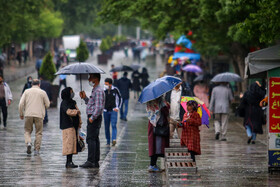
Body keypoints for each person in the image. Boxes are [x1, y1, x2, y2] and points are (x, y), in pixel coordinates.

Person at [79, 73, 105, 168]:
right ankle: (95, 161)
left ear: (96, 79)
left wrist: (92, 117)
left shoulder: (98, 90)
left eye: (91, 77)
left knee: (91, 138)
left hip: (94, 118)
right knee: (94, 138)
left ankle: (91, 161)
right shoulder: (95, 90)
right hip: (93, 117)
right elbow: (92, 104)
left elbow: (98, 107)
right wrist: (85, 97)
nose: (89, 79)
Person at [19, 79, 50, 155]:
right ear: (39, 84)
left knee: (27, 131)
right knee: (38, 132)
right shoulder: (43, 92)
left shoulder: (26, 91)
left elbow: (20, 104)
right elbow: (48, 104)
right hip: (39, 115)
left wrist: (21, 114)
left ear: (32, 84)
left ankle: (28, 143)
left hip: (28, 114)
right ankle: (36, 149)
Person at [60, 87, 82, 168]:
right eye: (71, 91)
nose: (72, 93)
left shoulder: (73, 102)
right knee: (68, 144)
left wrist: (80, 122)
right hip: (67, 126)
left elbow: (77, 111)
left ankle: (71, 161)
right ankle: (68, 162)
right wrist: (76, 112)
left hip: (74, 126)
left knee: (72, 144)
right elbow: (68, 112)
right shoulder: (64, 103)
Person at [165, 75, 193, 139]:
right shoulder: (169, 92)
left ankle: (183, 148)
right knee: (168, 135)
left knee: (181, 137)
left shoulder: (185, 91)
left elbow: (190, 104)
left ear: (181, 82)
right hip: (171, 119)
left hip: (180, 120)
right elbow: (166, 102)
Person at [146, 96, 169, 172]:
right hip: (154, 127)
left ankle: (154, 164)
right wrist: (164, 107)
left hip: (159, 127)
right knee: (154, 146)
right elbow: (164, 112)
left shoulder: (160, 103)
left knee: (158, 147)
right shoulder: (153, 104)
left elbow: (166, 112)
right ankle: (152, 165)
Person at [103, 78, 122, 146]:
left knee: (114, 125)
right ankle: (108, 141)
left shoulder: (115, 90)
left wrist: (118, 108)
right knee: (106, 126)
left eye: (107, 84)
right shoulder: (103, 91)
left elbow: (120, 98)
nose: (105, 85)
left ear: (110, 84)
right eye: (105, 84)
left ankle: (113, 139)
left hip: (113, 110)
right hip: (105, 111)